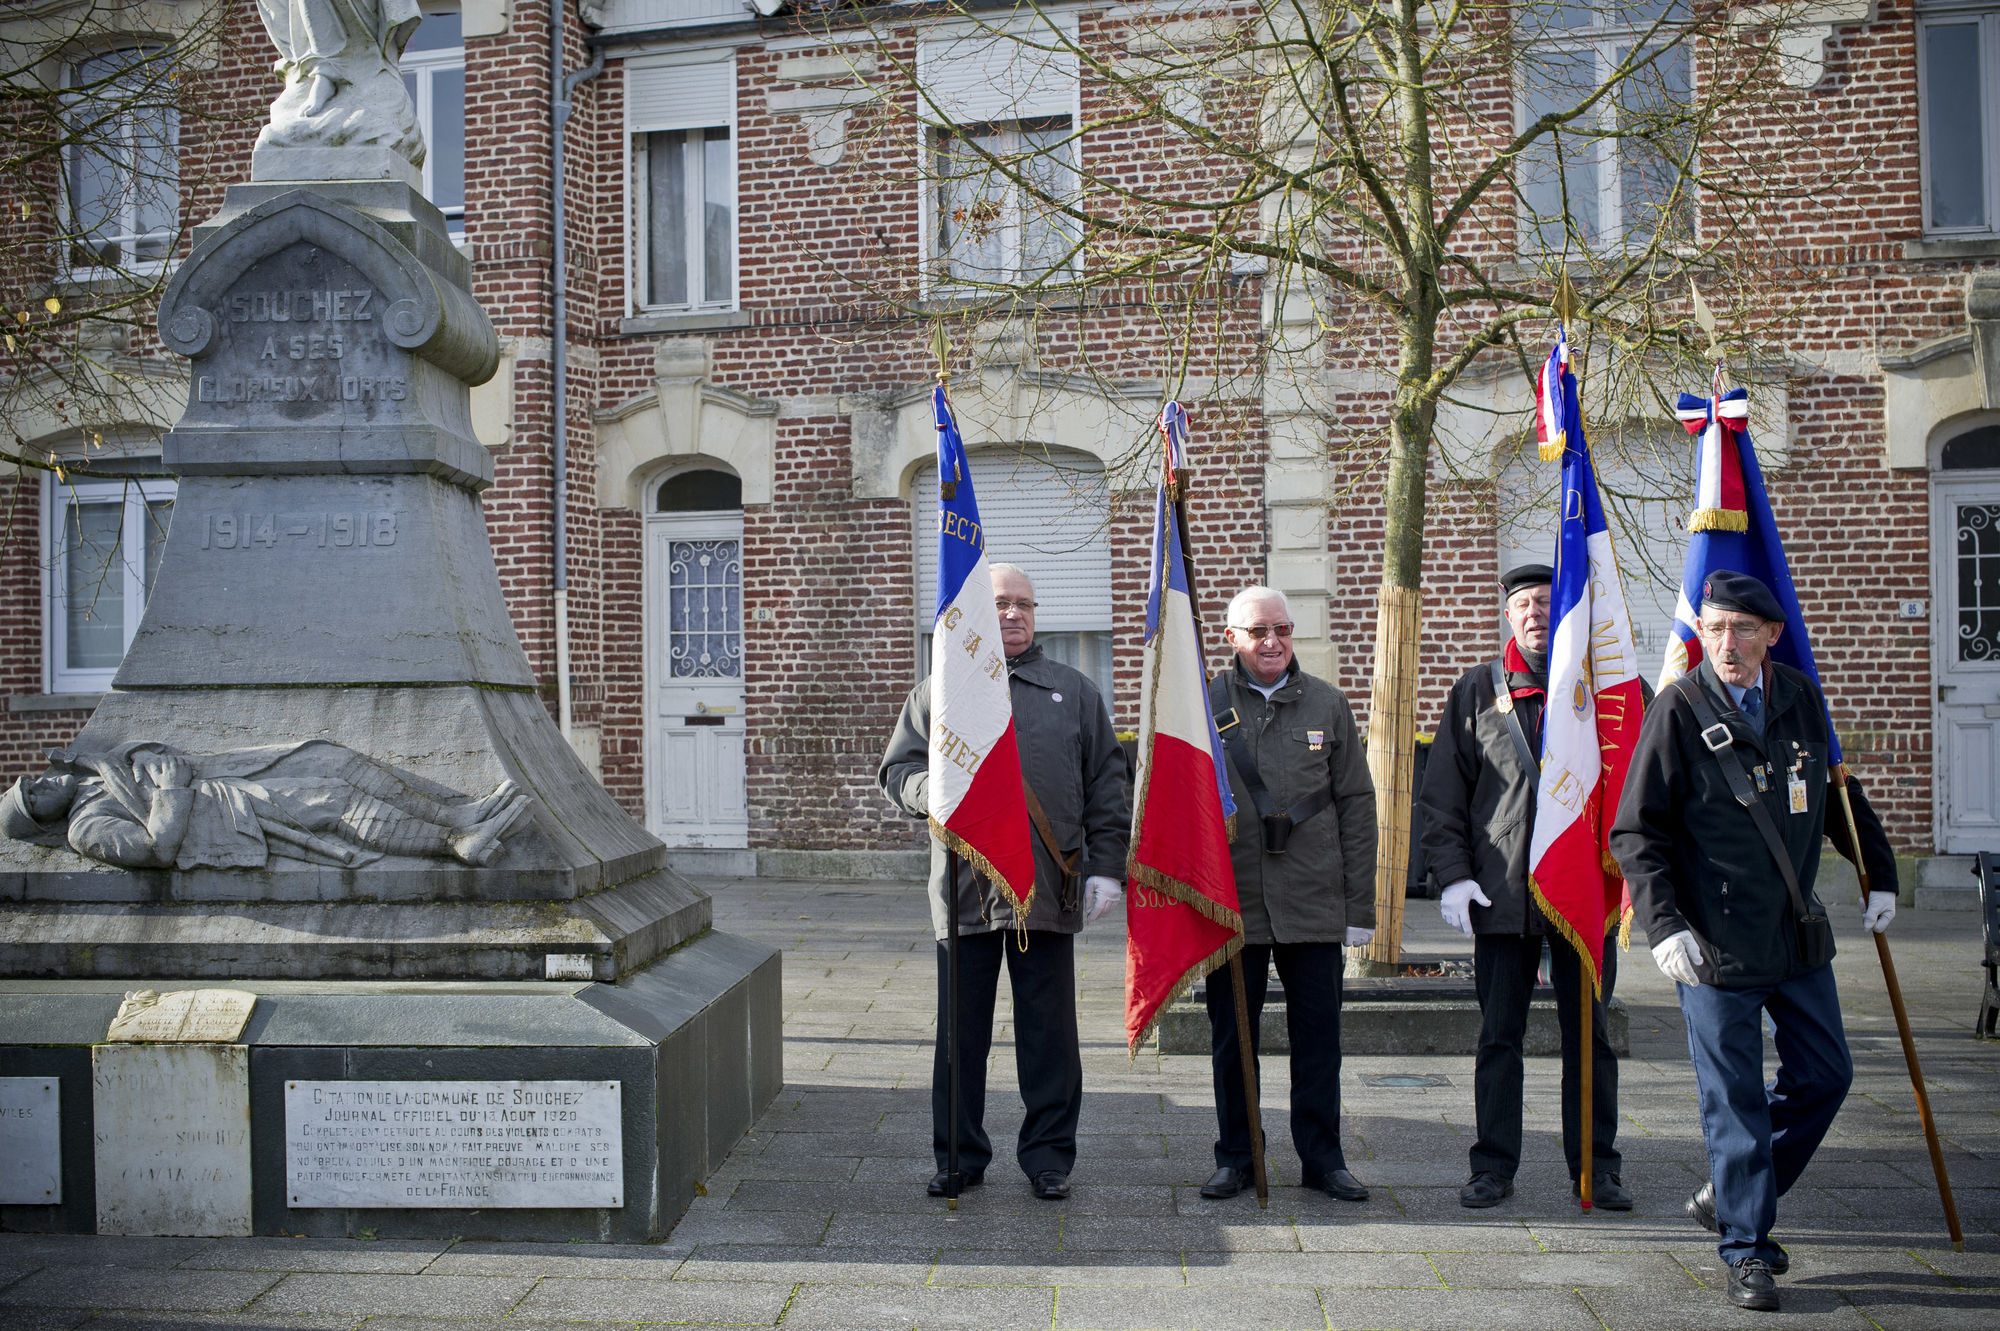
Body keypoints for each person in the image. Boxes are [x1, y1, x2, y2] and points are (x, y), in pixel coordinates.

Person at [1611, 569, 1899, 1313]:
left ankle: (1732, 1187)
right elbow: (1636, 830)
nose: (1727, 642)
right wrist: (1664, 924)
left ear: (1772, 633)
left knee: (1828, 1075)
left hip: (1794, 934)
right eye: (1714, 627)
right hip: (1713, 944)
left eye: (1742, 627)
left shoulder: (1800, 696)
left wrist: (1884, 874)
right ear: (1700, 634)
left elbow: (1838, 791)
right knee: (1733, 1102)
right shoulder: (1678, 707)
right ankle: (1746, 1248)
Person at [877, 563, 1130, 1202]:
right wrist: (924, 790)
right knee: (961, 1036)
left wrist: (1107, 869)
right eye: (999, 604)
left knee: (1049, 1035)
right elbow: (897, 767)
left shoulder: (1073, 692)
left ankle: (1049, 1158)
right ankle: (958, 1158)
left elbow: (1108, 785)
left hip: (1046, 889)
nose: (1012, 615)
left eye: (1023, 604)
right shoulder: (939, 691)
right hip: (964, 891)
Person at [1416, 563, 1628, 1211]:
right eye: (1523, 605)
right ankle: (1493, 1166)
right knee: (1498, 1035)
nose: (1534, 613)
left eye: (1545, 602)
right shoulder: (1476, 691)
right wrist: (1451, 878)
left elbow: (1633, 789)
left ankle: (1596, 1165)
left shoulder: (1607, 693)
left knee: (1588, 1036)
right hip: (1502, 897)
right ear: (1507, 616)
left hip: (1583, 899)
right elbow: (1442, 799)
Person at [1198, 586, 1376, 1202]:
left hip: (1314, 900)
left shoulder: (1328, 704)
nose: (1271, 641)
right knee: (1231, 1040)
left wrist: (1360, 910)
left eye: (1282, 629)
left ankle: (1323, 1159)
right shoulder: (1203, 703)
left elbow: (1357, 804)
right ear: (1232, 638)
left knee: (1319, 1040)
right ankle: (1238, 1156)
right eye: (1257, 632)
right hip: (1233, 903)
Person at [0, 739, 530, 869]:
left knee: (333, 757)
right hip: (221, 812)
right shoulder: (85, 828)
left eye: (34, 781)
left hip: (228, 770)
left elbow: (146, 755)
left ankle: (453, 812)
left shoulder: (97, 770)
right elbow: (157, 848)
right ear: (42, 822)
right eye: (33, 800)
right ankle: (454, 844)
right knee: (334, 798)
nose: (41, 786)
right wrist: (170, 791)